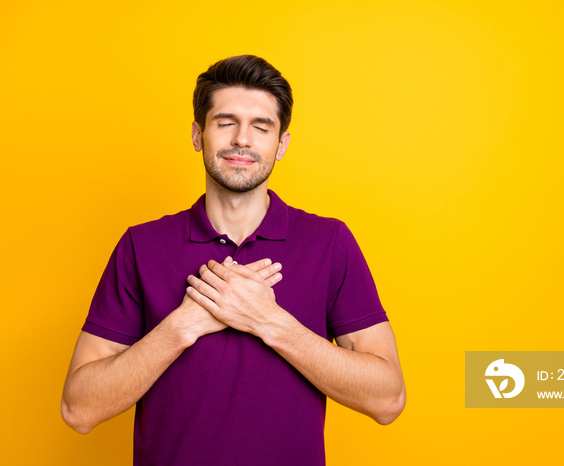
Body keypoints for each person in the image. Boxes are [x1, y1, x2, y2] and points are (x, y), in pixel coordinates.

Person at [61, 55, 405, 465]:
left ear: (281, 145)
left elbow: (388, 399)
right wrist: (182, 325)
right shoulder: (141, 245)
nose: (243, 139)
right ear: (197, 134)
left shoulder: (329, 242)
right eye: (226, 122)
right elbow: (78, 409)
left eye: (261, 127)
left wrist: (269, 322)